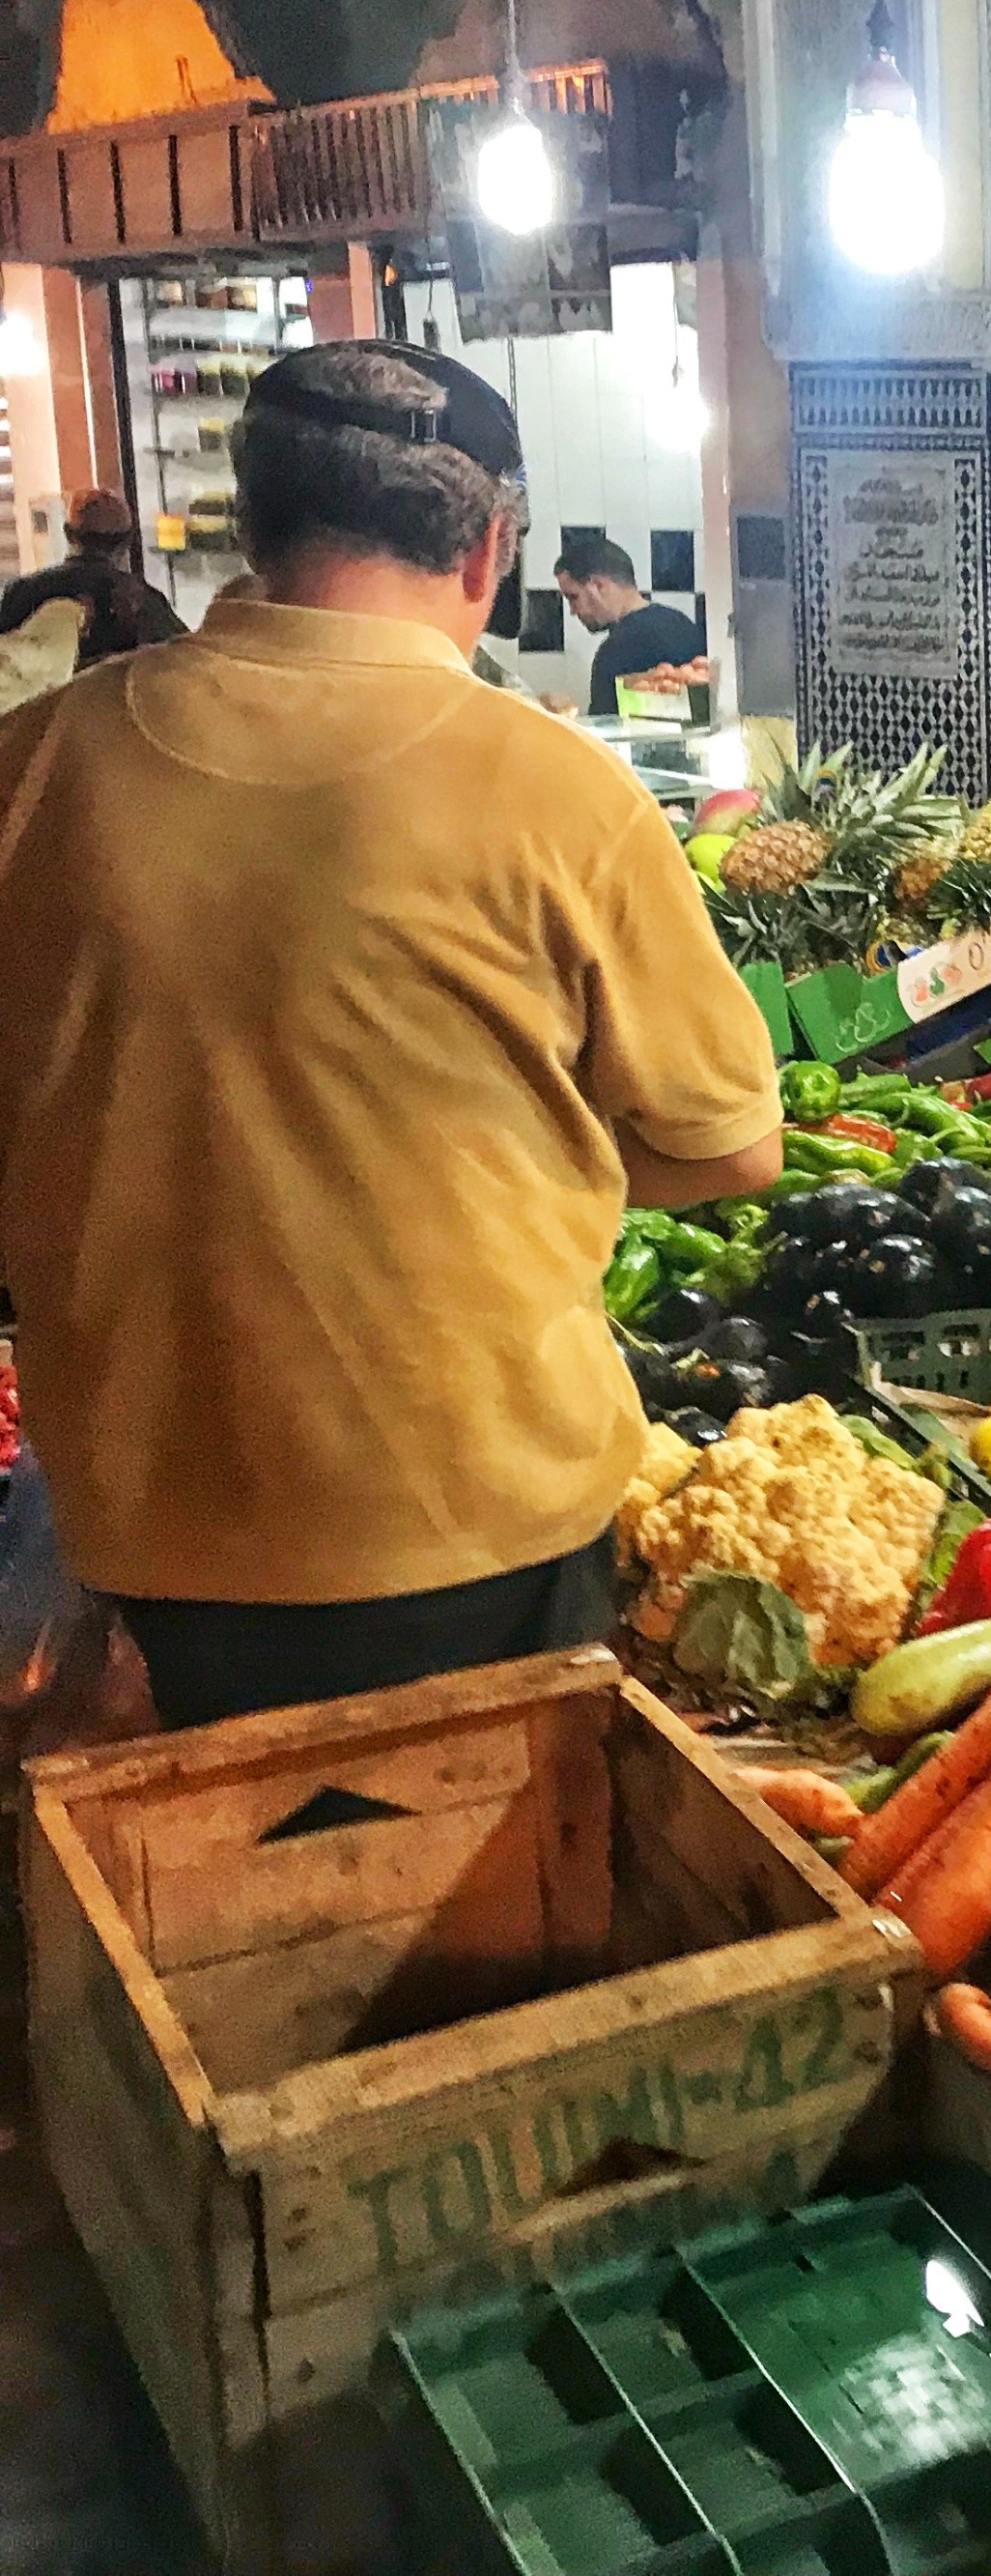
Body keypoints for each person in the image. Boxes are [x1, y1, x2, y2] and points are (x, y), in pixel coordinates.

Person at [0, 341, 781, 1728]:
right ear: (488, 549)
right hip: (478, 1518)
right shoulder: (558, 794)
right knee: (496, 1909)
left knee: (212, 1910)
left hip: (149, 1531)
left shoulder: (34, 767)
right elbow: (731, 1148)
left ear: (246, 524)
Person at [0, 488, 190, 670]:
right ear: (127, 540)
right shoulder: (142, 599)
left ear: (68, 534)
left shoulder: (22, 592)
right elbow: (188, 656)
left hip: (44, 703)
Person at [553, 533, 706, 720]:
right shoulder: (682, 623)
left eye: (573, 597)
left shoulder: (615, 651)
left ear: (598, 585)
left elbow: (604, 736)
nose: (572, 610)